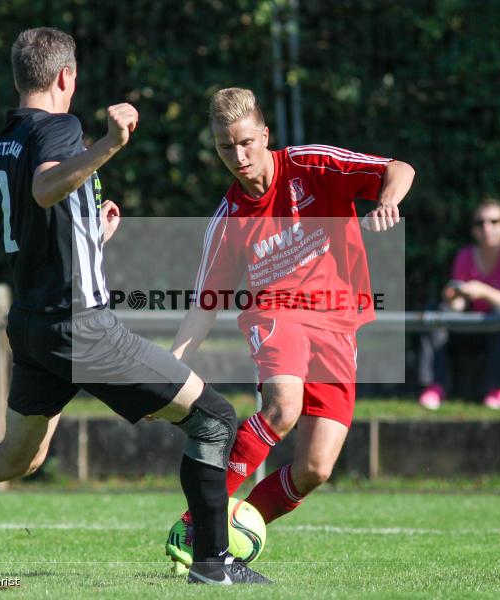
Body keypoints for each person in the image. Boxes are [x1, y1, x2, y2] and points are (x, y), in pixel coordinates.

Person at [0, 28, 269, 586]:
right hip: (81, 328)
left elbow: (38, 225)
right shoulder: (60, 127)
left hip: (35, 325)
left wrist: (92, 234)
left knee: (17, 458)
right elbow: (45, 190)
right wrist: (109, 143)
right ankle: (213, 564)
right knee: (215, 420)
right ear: (66, 76)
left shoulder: (7, 139)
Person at [164, 87, 415, 570]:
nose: (238, 157)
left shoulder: (310, 165)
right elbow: (204, 305)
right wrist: (170, 371)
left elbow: (399, 169)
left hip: (339, 324)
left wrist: (386, 201)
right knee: (282, 408)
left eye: (245, 143)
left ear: (265, 135)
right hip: (276, 314)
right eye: (225, 147)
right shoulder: (228, 220)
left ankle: (230, 533)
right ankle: (199, 523)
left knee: (315, 467)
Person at [418, 199, 500, 410]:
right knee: (437, 313)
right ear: (474, 230)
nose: (487, 228)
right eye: (480, 223)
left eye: (494, 222)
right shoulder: (465, 255)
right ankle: (434, 386)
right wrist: (453, 297)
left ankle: (499, 389)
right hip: (471, 326)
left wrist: (483, 291)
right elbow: (459, 305)